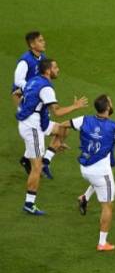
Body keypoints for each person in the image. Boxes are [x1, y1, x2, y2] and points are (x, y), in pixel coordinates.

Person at [61, 95, 115, 251]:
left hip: (85, 169)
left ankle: (84, 197)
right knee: (107, 206)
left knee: (100, 179)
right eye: (111, 102)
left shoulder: (84, 120)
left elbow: (63, 124)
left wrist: (59, 142)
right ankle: (102, 243)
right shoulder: (114, 127)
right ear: (107, 108)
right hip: (101, 173)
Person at [16, 59, 88, 215]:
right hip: (33, 128)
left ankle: (46, 161)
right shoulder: (46, 88)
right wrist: (76, 106)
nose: (58, 69)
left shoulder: (33, 80)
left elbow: (17, 93)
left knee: (63, 129)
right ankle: (29, 204)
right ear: (48, 71)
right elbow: (58, 111)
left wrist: (24, 109)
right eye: (55, 67)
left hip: (37, 122)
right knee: (36, 168)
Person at [12, 31, 61, 177]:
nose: (43, 42)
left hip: (36, 96)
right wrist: (32, 88)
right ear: (32, 44)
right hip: (23, 96)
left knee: (40, 124)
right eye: (40, 40)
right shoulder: (25, 61)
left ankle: (31, 159)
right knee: (31, 125)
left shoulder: (43, 59)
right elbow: (17, 80)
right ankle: (33, 161)